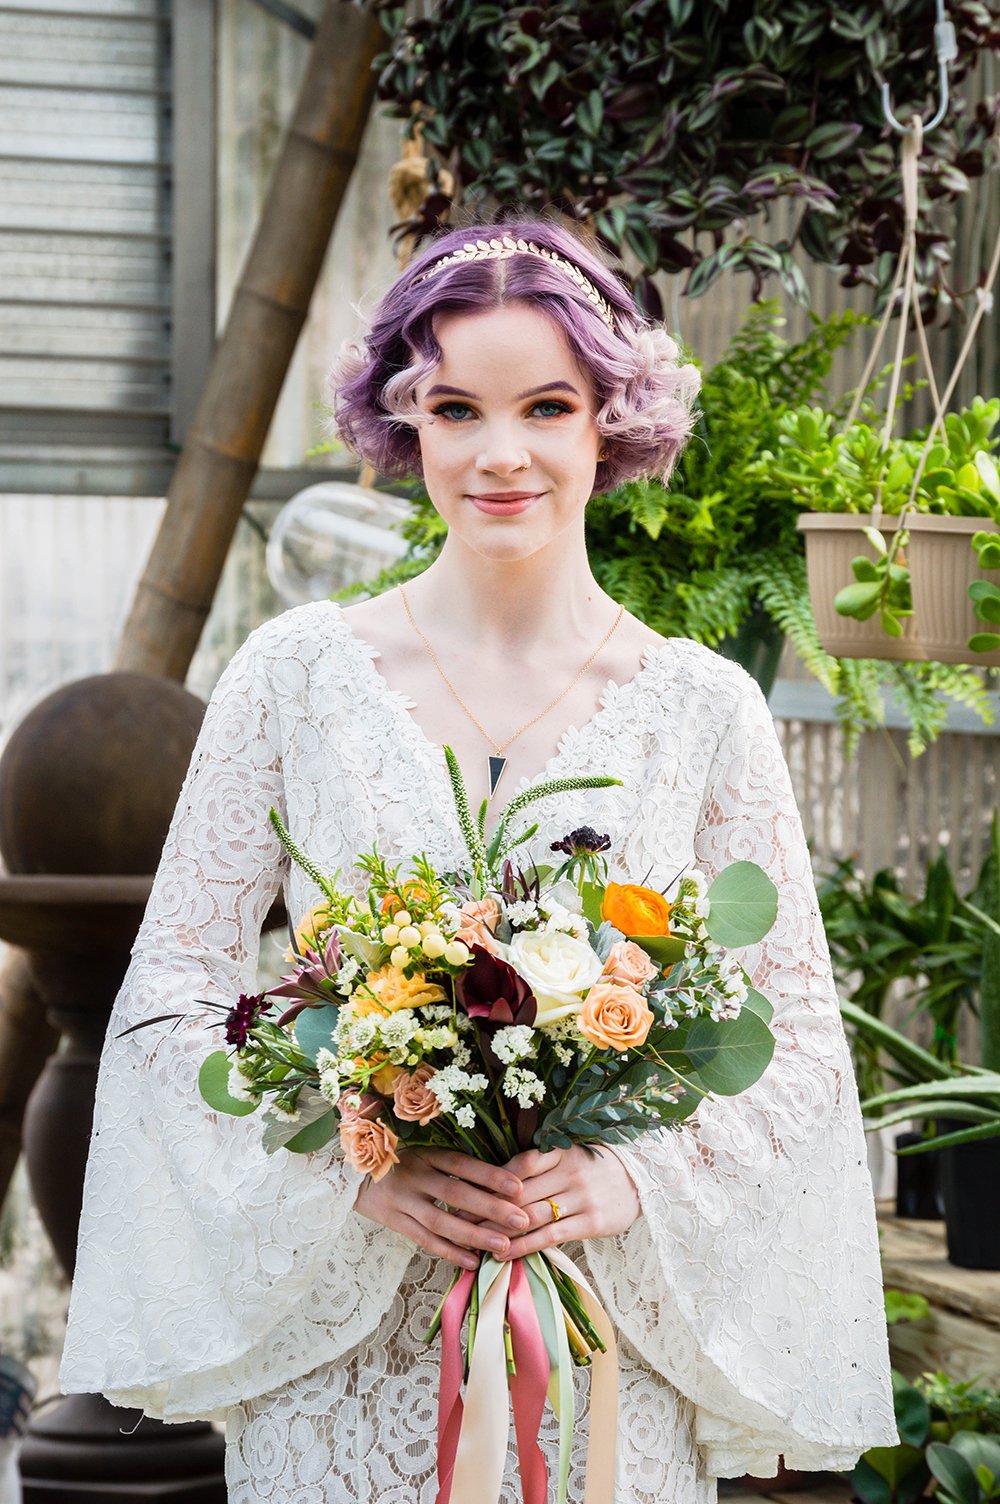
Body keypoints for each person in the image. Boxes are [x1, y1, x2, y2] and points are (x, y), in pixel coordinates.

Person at [61, 217, 897, 1502]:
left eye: (546, 406)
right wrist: (350, 1166)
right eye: (455, 408)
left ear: (609, 424)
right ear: (405, 426)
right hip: (339, 1374)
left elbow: (791, 1043)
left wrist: (627, 1173)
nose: (500, 454)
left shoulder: (705, 708)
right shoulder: (293, 678)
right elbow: (170, 994)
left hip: (600, 1358)